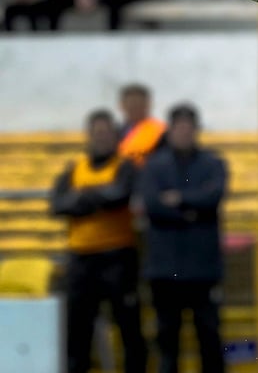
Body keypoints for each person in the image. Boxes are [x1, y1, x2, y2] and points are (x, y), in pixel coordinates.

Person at [49, 109, 148, 373]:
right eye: (97, 133)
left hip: (118, 256)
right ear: (88, 136)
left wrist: (82, 198)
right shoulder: (73, 169)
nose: (102, 138)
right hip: (81, 260)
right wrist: (98, 198)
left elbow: (119, 196)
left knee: (128, 327)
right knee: (77, 330)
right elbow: (57, 205)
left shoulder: (125, 166)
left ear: (115, 137)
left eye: (106, 133)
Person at [140, 103, 227, 373]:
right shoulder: (154, 166)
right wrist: (192, 210)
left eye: (189, 128)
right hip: (165, 271)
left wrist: (178, 199)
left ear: (197, 130)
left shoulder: (214, 163)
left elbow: (213, 197)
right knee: (168, 343)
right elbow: (152, 204)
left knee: (210, 340)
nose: (184, 133)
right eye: (179, 128)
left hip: (203, 270)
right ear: (170, 130)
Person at [117, 82, 166, 167]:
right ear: (122, 105)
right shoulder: (114, 132)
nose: (135, 108)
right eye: (131, 104)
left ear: (148, 104)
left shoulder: (161, 131)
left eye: (139, 104)